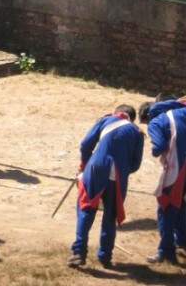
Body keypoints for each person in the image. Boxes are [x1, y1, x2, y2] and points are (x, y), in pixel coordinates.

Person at [67, 104, 144, 270]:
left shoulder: (105, 120)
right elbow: (135, 164)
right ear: (132, 118)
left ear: (117, 113)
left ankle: (79, 252)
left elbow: (85, 144)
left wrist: (86, 164)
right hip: (119, 175)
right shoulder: (137, 133)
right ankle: (105, 256)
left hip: (96, 167)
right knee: (110, 215)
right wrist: (121, 170)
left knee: (85, 209)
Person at [143, 100, 186, 264]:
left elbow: (159, 147)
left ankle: (166, 251)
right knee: (180, 203)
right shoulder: (183, 113)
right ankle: (184, 241)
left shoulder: (155, 121)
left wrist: (154, 148)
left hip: (178, 166)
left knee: (165, 206)